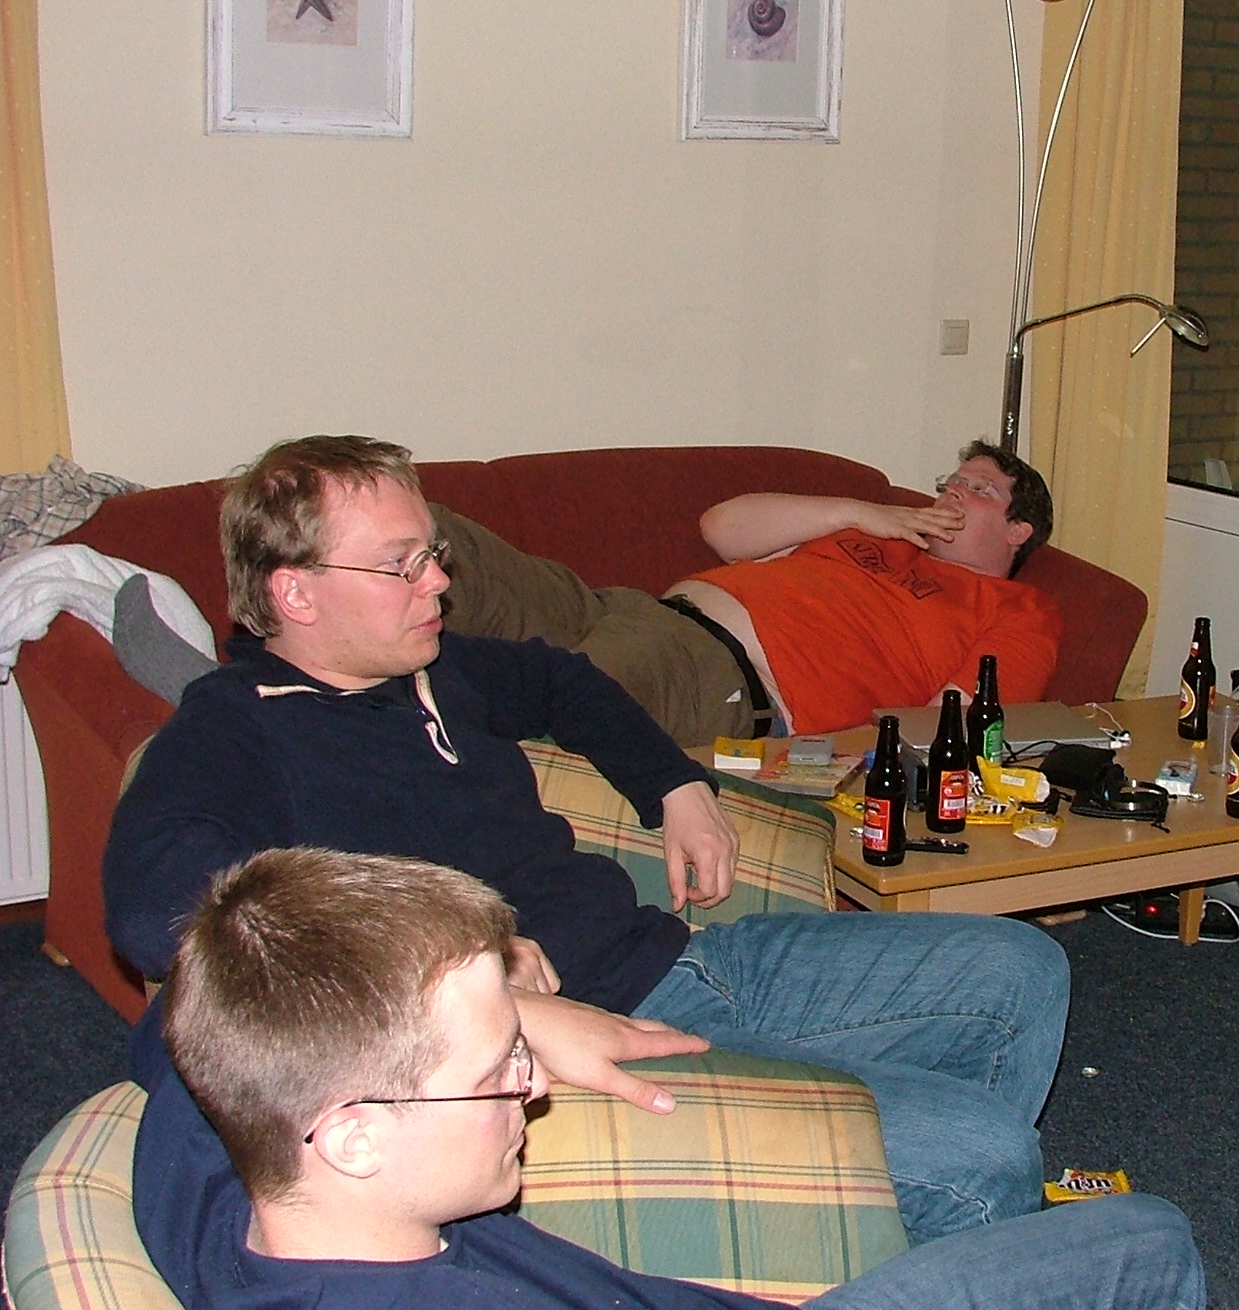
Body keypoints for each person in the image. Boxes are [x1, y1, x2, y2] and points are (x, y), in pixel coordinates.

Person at [103, 435, 1069, 1247]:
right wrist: (470, 993)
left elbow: (567, 682)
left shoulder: (436, 666)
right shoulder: (231, 732)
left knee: (1021, 966)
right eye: (402, 565)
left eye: (432, 552)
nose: (439, 580)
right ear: (297, 595)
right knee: (983, 1155)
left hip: (673, 955)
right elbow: (161, 917)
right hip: (570, 1054)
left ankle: (854, 1242)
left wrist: (675, 785)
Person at [144, 846, 1214, 1310]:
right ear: (354, 1134)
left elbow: (187, 1005)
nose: (531, 1084)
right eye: (498, 1067)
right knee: (1149, 1243)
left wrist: (522, 1011)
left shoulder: (209, 1149)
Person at [662, 439, 1061, 736]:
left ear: (1018, 531)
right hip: (656, 619)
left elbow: (950, 728)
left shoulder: (1021, 609)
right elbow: (721, 527)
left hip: (728, 681)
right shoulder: (875, 531)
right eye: (952, 482)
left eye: (980, 489)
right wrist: (857, 512)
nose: (953, 491)